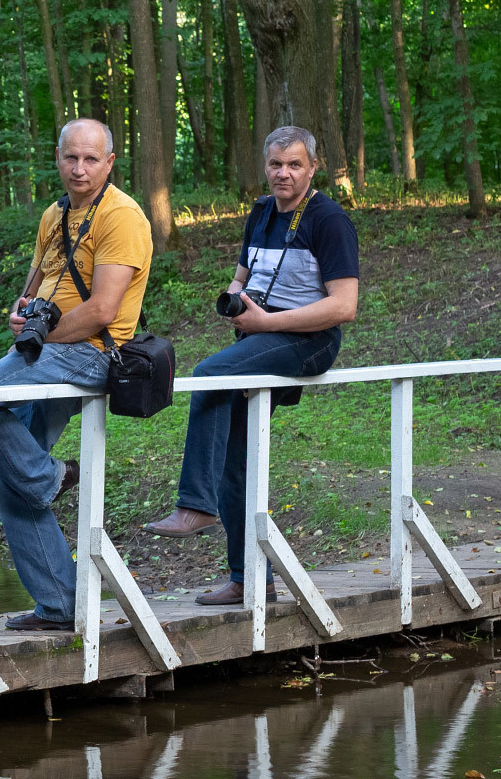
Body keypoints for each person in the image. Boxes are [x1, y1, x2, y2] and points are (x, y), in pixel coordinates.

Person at [143, 125, 359, 605]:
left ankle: (195, 506)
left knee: (210, 373)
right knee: (235, 458)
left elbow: (345, 306)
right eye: (276, 165)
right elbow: (240, 277)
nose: (284, 173)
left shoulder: (328, 220)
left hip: (310, 340)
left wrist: (269, 323)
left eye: (294, 165)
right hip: (261, 334)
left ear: (312, 167)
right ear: (265, 167)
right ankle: (249, 580)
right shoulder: (262, 212)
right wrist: (237, 301)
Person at [0, 119, 151, 632]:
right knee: (6, 475)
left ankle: (52, 477)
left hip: (93, 352)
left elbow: (105, 309)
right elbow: (35, 286)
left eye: (90, 159)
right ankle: (61, 605)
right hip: (51, 349)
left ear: (109, 163)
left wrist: (42, 336)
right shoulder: (54, 214)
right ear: (57, 159)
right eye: (70, 158)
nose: (79, 169)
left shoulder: (122, 216)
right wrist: (24, 314)